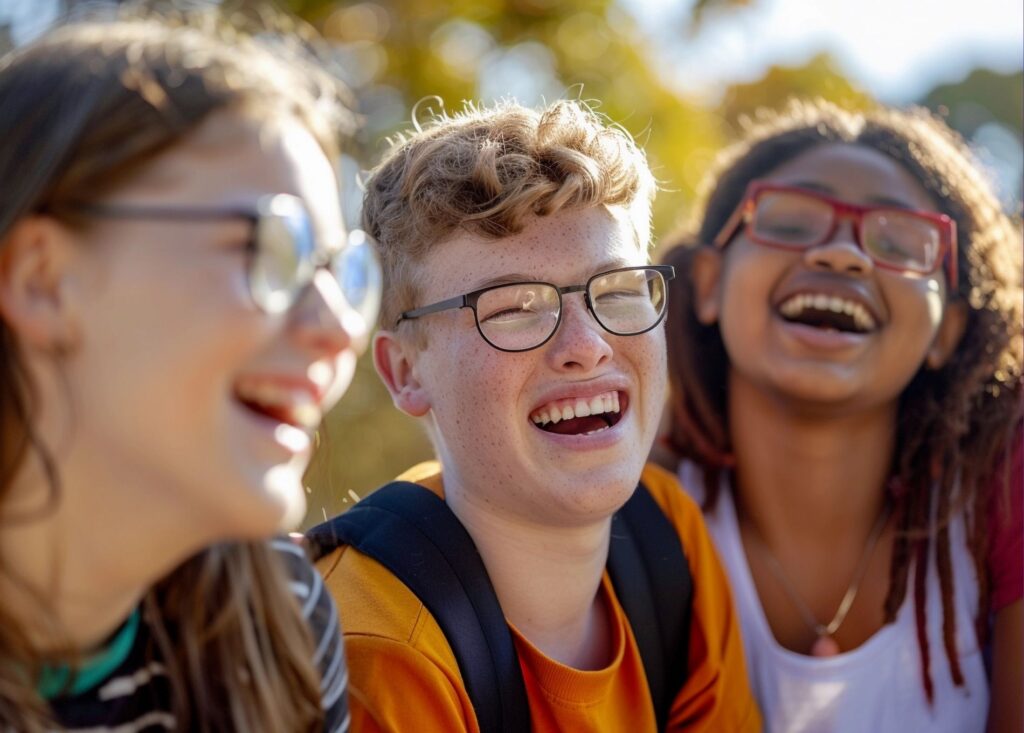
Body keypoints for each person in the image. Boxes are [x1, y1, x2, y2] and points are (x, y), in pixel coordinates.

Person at [310, 98, 760, 732]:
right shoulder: (383, 656)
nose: (586, 345)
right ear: (405, 372)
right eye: (513, 308)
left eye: (617, 290)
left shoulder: (667, 535)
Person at [0, 8, 380, 732]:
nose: (339, 330)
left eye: (343, 271)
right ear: (42, 280)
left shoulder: (284, 630)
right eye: (270, 249)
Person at [659, 98, 1022, 732]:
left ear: (948, 330)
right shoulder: (633, 512)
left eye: (899, 240)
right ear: (709, 283)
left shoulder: (1004, 496)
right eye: (792, 221)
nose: (843, 255)